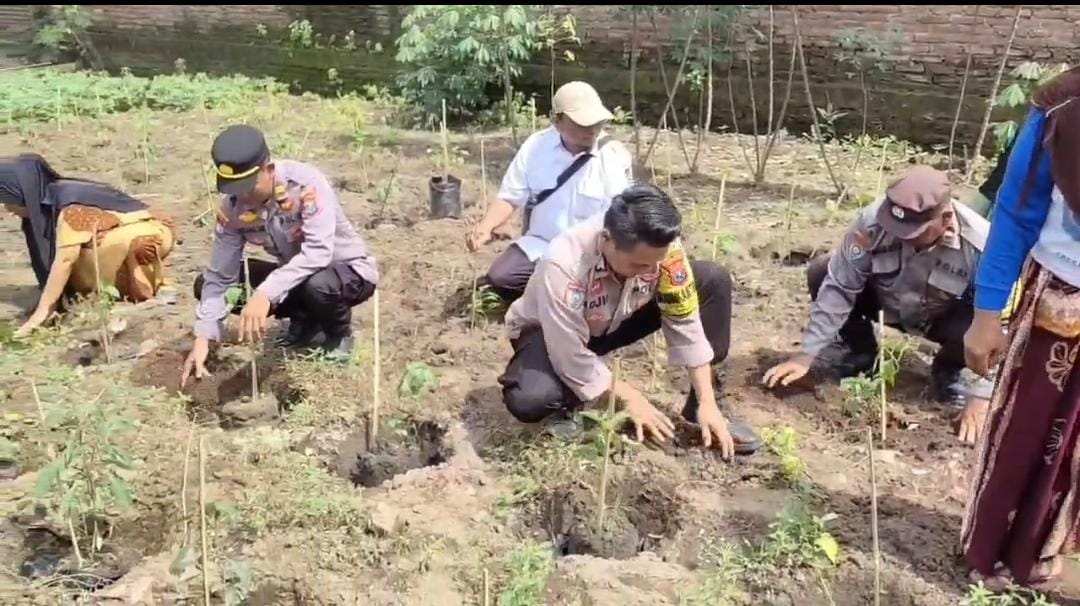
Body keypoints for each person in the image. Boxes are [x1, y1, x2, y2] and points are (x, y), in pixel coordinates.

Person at [498, 184, 760, 457]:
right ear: (607, 239)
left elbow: (685, 321)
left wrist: (707, 400)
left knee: (711, 279)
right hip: (549, 332)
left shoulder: (663, 250)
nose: (650, 271)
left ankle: (698, 411)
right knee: (532, 398)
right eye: (638, 265)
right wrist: (630, 397)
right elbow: (567, 351)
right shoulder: (565, 262)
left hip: (613, 320)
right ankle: (569, 407)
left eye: (655, 263)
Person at [962, 67, 1080, 590]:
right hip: (1060, 296)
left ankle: (1052, 555)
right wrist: (987, 314)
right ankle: (997, 556)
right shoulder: (1063, 108)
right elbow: (1015, 211)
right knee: (1027, 434)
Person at [762, 166, 993, 409]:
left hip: (943, 318)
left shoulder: (982, 245)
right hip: (886, 303)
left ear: (945, 219)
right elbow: (839, 287)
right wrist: (805, 355)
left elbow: (1004, 321)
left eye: (912, 232)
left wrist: (982, 396)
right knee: (822, 271)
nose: (899, 235)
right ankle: (860, 354)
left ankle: (948, 370)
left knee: (983, 318)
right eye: (894, 226)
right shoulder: (871, 222)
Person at [181, 125, 378, 385]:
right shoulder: (231, 209)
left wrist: (265, 293)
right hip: (292, 277)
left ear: (269, 170)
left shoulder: (306, 185)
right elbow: (221, 275)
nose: (242, 195)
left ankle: (337, 335)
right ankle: (304, 319)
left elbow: (318, 253)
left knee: (317, 284)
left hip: (345, 273)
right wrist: (204, 336)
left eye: (249, 186)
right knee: (209, 283)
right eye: (234, 187)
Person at [466, 81, 632, 301]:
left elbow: (621, 218)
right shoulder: (536, 146)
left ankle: (566, 292)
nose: (592, 130)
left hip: (591, 253)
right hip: (541, 245)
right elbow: (510, 195)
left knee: (585, 293)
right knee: (501, 277)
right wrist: (486, 227)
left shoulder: (612, 156)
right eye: (582, 124)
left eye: (597, 122)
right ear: (557, 120)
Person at [1, 154, 176, 337]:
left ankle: (145, 284)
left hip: (146, 236)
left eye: (7, 201)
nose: (7, 209)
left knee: (81, 258)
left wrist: (41, 313)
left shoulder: (68, 206)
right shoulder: (51, 198)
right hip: (138, 229)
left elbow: (65, 261)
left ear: (19, 194)